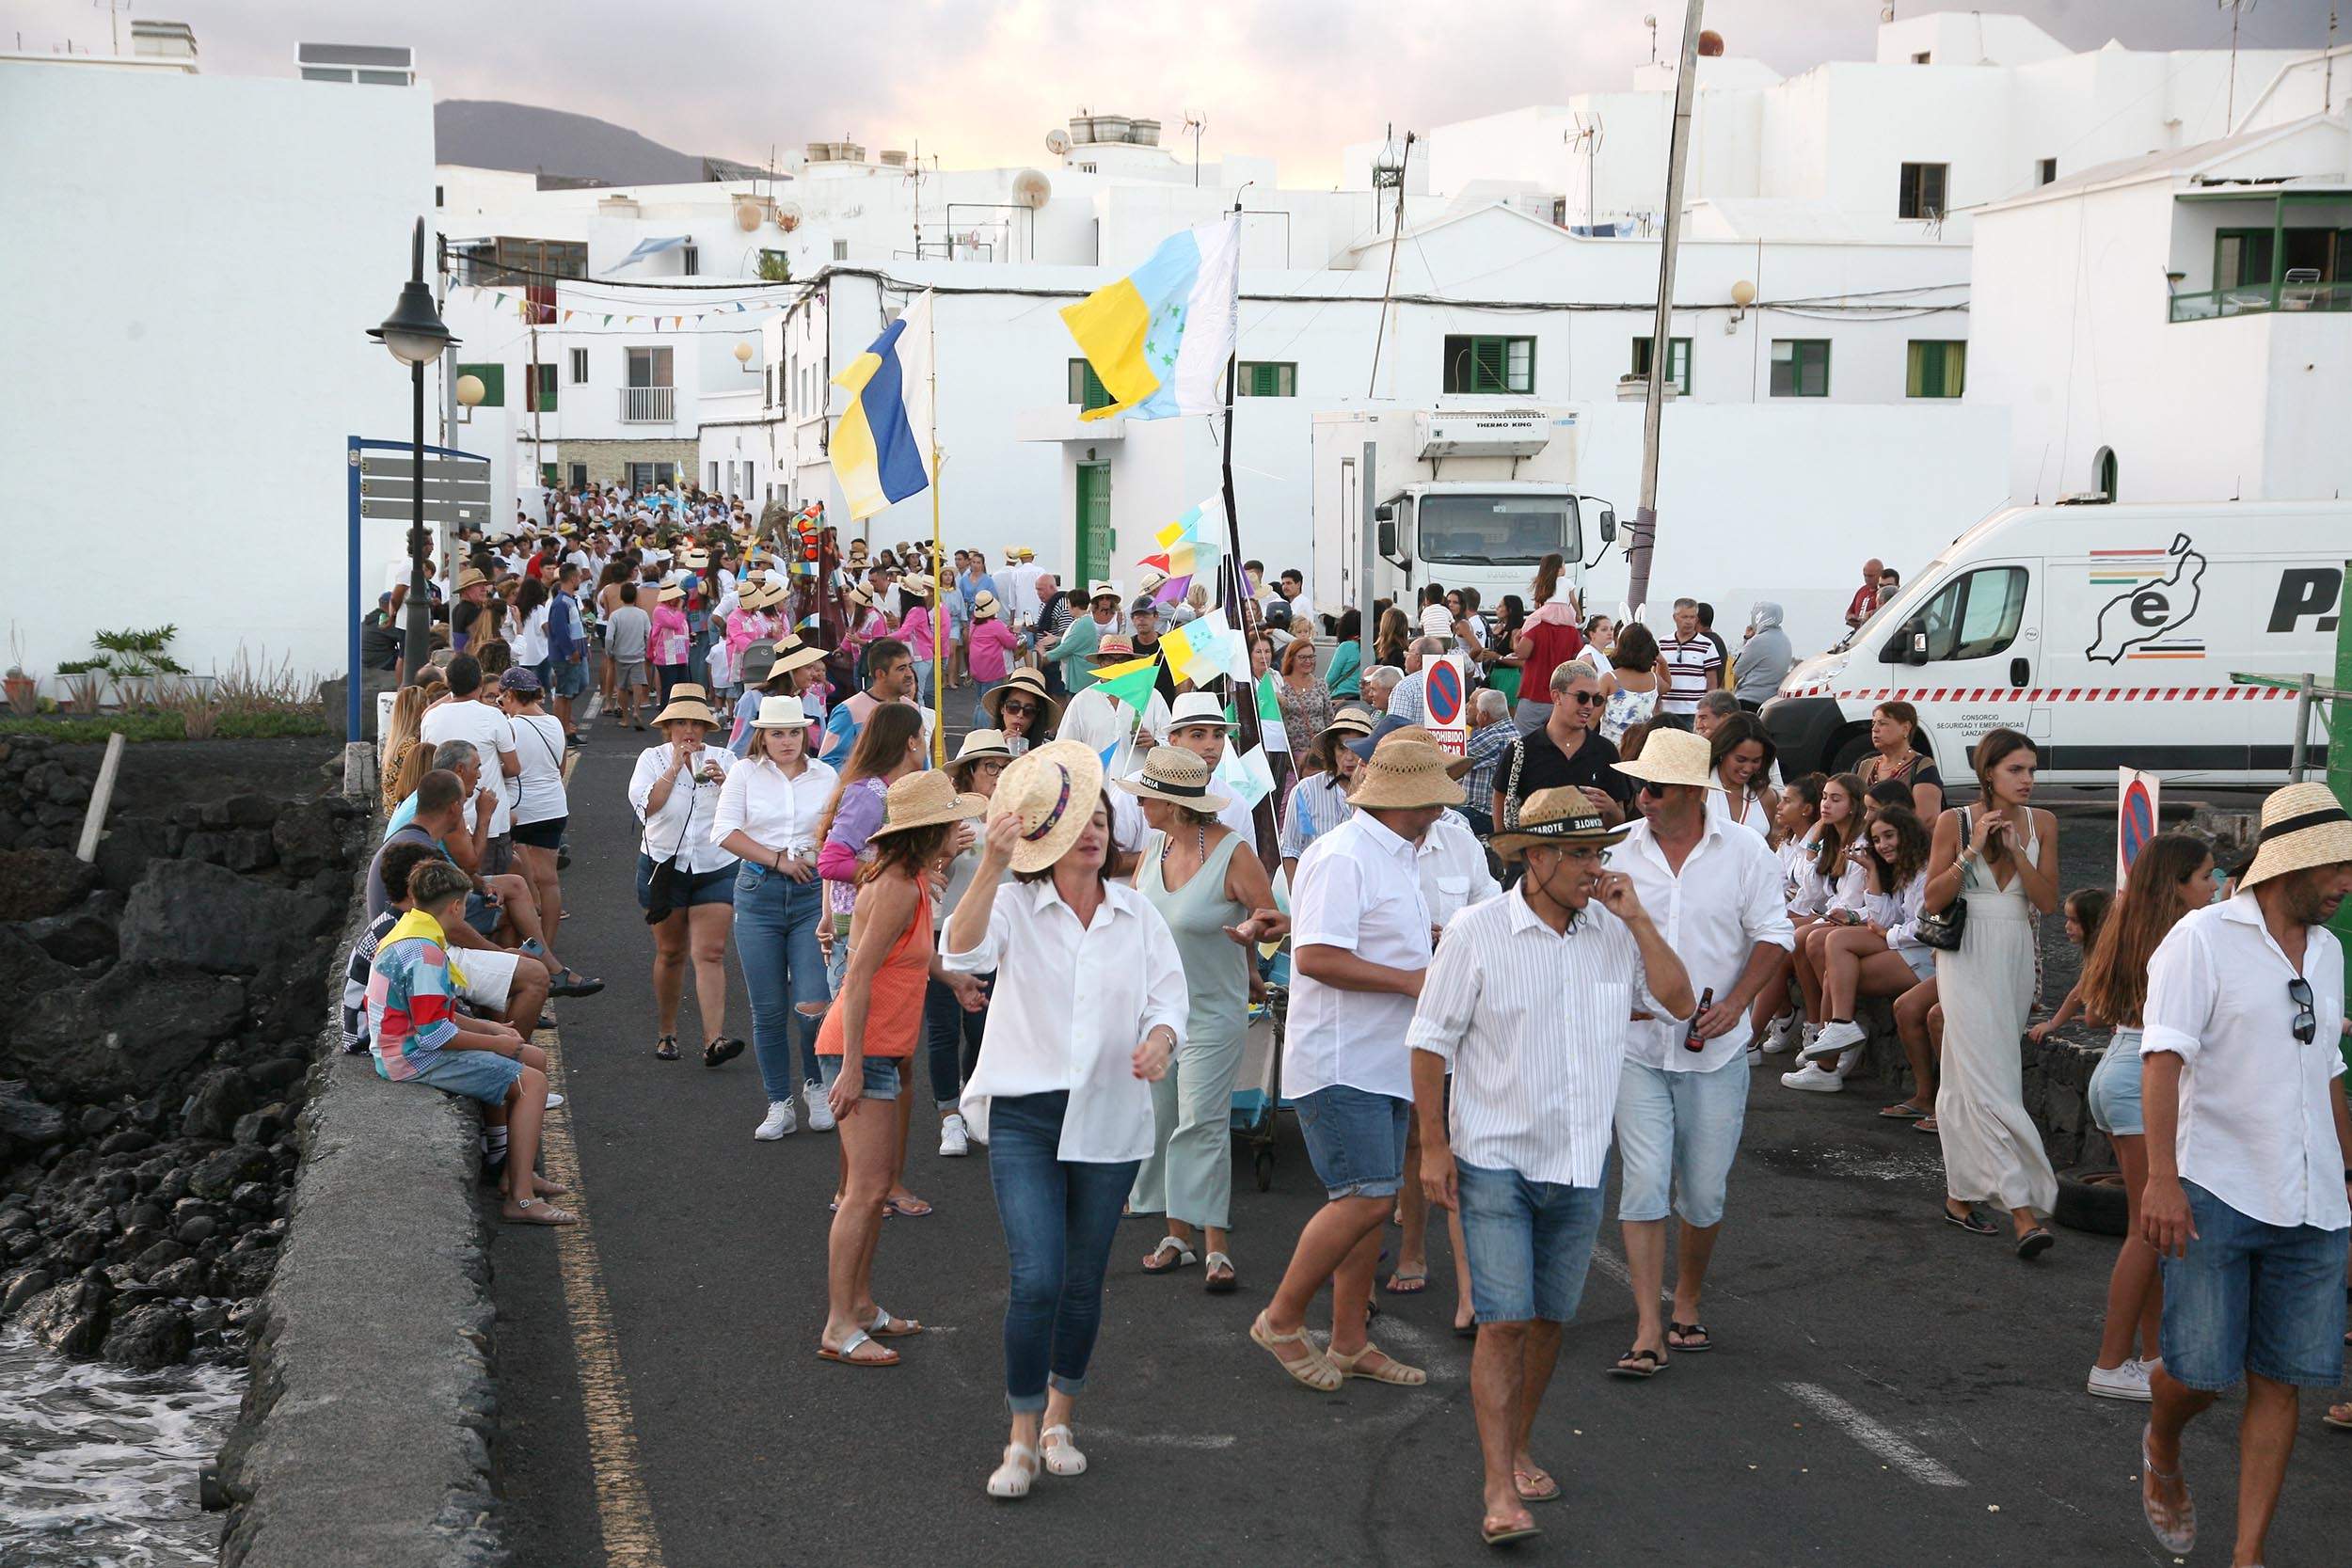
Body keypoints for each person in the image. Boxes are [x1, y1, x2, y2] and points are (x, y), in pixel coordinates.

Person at [1410, 788, 1694, 1547]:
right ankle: (1499, 1487)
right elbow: (1429, 1041)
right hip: (1494, 1156)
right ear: (1531, 857)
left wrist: (1638, 916)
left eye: (1597, 851)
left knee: (1547, 1322)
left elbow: (1679, 1001)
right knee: (1502, 1321)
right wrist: (1434, 1147)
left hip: (1576, 1162)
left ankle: (1517, 1445)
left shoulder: (1613, 933)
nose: (1591, 867)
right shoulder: (1475, 933)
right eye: (1576, 852)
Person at [2136, 783, 2351, 1566]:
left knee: (2283, 1378)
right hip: (2214, 1189)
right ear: (2285, 865)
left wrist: (2348, 1176)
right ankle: (2162, 1440)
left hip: (2315, 1201)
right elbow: (2161, 1058)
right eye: (2332, 866)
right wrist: (2162, 1179)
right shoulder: (2202, 939)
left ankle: (2247, 1554)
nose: (2344, 882)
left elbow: (2327, 1066)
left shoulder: (2329, 952)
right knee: (2200, 1373)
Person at [1250, 733, 1467, 1394]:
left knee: (1366, 1201)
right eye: (1435, 797)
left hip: (1375, 1060)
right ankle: (1283, 1318)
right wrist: (1410, 980)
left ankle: (1348, 1339)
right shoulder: (1345, 855)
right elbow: (1315, 956)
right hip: (1342, 1061)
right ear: (1412, 799)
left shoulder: (1387, 854)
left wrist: (1419, 960)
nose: (1442, 810)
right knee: (1368, 1199)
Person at [1606, 728, 1793, 1373]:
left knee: (1706, 1193)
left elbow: (1775, 933)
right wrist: (1610, 1000)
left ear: (1689, 791)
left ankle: (1687, 1295)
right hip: (1636, 1042)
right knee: (1644, 1183)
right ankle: (1649, 1325)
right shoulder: (1619, 853)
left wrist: (1739, 1002)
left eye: (1654, 788)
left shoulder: (1744, 850)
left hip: (1716, 1047)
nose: (1642, 799)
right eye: (1639, 786)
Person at [816, 770, 988, 1371]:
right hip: (860, 1049)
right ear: (932, 831)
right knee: (863, 1193)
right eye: (952, 823)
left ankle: (860, 1306)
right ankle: (839, 1324)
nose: (961, 831)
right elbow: (858, 977)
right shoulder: (895, 887)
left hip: (880, 1049)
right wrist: (855, 1067)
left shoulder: (913, 882)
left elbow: (907, 956)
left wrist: (951, 977)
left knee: (878, 1184)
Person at [1121, 748, 1287, 1293]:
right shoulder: (1153, 846)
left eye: (1146, 795)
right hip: (1157, 1014)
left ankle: (1216, 1245)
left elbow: (1272, 920)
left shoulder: (1234, 854)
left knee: (1203, 1121)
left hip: (1214, 1010)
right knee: (1163, 1117)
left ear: (1173, 804)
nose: (1139, 803)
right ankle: (1177, 1237)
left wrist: (1251, 942)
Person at [1912, 728, 2063, 1249]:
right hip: (1967, 954)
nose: (2028, 780)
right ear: (1988, 773)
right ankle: (2023, 1210)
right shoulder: (1954, 822)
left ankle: (1960, 1195)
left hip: (2014, 954)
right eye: (2016, 769)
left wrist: (2018, 852)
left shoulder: (2043, 822)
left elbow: (2046, 903)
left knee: (1966, 1076)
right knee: (1990, 1079)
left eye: (2032, 769)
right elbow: (1932, 899)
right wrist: (1972, 851)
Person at [2075, 833, 2212, 1402]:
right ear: (2176, 886)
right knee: (2146, 1231)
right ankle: (2110, 1364)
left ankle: (2154, 1357)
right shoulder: (2181, 939)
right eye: (2206, 876)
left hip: (2117, 1071)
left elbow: (2090, 1012)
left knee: (2154, 1232)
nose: (2215, 885)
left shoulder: (2129, 925)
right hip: (2139, 1079)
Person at [368, 859, 573, 1226]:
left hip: (402, 1044)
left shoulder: (412, 933)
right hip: (410, 1056)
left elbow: (432, 1012)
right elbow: (434, 1034)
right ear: (456, 906)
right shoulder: (426, 953)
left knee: (536, 1059)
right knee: (533, 1082)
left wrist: (491, 1029)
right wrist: (494, 1044)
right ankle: (521, 1200)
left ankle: (516, 1174)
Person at [715, 696, 838, 1137]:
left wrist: (818, 861)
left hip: (811, 894)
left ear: (806, 733)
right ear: (761, 736)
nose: (786, 741)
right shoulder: (745, 773)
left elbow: (840, 835)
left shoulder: (826, 775)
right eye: (777, 733)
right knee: (766, 1009)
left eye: (793, 732)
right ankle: (778, 1103)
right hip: (758, 893)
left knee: (813, 1003)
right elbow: (724, 832)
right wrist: (778, 860)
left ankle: (816, 1085)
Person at [1784, 806, 1932, 1092]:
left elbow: (1925, 927)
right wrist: (1873, 871)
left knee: (1836, 948)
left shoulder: (1926, 871)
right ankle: (1836, 1038)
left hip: (1927, 954)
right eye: (1877, 840)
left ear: (1908, 834)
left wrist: (1890, 934)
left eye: (1889, 836)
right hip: (1906, 944)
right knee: (1834, 967)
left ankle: (1833, 1044)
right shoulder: (1905, 869)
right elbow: (1886, 916)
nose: (1883, 845)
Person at [628, 692, 739, 1065]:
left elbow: (744, 811)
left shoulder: (725, 759)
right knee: (671, 953)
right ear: (668, 728)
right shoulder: (651, 759)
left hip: (715, 866)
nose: (688, 730)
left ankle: (714, 1040)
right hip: (664, 868)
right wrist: (674, 768)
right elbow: (648, 807)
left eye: (696, 723)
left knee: (710, 953)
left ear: (707, 727)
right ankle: (667, 1033)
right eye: (681, 723)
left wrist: (727, 784)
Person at [497, 669, 597, 997]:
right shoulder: (555, 723)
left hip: (521, 808)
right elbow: (560, 769)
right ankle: (547, 952)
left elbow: (508, 769)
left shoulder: (511, 727)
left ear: (512, 696)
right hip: (554, 806)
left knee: (520, 883)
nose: (501, 703)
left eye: (502, 697)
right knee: (549, 880)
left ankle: (533, 954)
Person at [1493, 661, 1631, 836]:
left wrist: (1610, 807)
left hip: (1585, 859)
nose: (1589, 706)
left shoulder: (1605, 751)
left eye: (1596, 699)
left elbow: (1618, 820)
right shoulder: (1522, 750)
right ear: (1556, 696)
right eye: (1582, 697)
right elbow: (1500, 800)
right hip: (1536, 858)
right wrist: (1507, 854)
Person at [419, 655, 520, 873]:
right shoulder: (493, 716)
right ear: (480, 684)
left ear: (448, 684)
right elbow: (513, 768)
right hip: (490, 818)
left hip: (446, 820)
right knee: (493, 888)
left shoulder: (430, 718)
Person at [1279, 706, 1374, 881]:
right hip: (1317, 885)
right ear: (1332, 751)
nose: (1349, 757)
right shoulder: (1305, 790)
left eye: (1357, 748)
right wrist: (1297, 899)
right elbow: (1290, 851)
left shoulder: (1380, 792)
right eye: (1342, 749)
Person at [1510, 555, 1583, 735]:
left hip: (1534, 696)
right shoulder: (1571, 631)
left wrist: (1515, 639)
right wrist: (1578, 615)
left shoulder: (1535, 626)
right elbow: (1579, 658)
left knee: (1523, 744)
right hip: (1562, 699)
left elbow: (1522, 654)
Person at [821, 638, 916, 767]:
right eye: (901, 668)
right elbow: (829, 762)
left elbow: (920, 759)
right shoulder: (849, 711)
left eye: (910, 666)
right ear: (880, 674)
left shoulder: (913, 709)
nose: (910, 674)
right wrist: (867, 783)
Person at [1856, 702, 1946, 821]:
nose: (1874, 729)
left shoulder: (1922, 766)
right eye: (1873, 723)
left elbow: (1927, 819)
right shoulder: (1865, 765)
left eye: (1882, 723)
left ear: (1905, 728)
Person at [1706, 713, 1779, 841]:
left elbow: (1769, 850)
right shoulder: (1700, 790)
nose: (1748, 768)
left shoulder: (1766, 797)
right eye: (1741, 760)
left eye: (1755, 761)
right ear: (1723, 752)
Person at [1040, 580, 1121, 692]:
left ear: (1073, 604)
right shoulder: (1083, 620)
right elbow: (1076, 641)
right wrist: (1056, 639)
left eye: (1068, 603)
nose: (1067, 606)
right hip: (1084, 671)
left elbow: (1067, 647)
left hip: (1082, 676)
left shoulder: (1084, 622)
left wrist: (1045, 656)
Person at [1653, 599, 1722, 732]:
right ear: (1675, 617)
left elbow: (1712, 681)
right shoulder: (1663, 643)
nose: (1689, 621)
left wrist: (1709, 710)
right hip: (1667, 710)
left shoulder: (1706, 644)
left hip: (1693, 710)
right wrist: (1655, 705)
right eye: (1685, 617)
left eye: (1692, 617)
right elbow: (1655, 675)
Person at [1459, 689, 1518, 840]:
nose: (1466, 707)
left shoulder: (1493, 737)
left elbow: (1453, 759)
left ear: (1484, 715)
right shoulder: (1512, 731)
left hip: (1482, 814)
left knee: (1436, 821)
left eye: (1472, 703)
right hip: (1501, 813)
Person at [1596, 622, 1661, 753]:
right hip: (1640, 749)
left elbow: (1594, 716)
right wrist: (1662, 661)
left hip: (1610, 749)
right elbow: (1668, 685)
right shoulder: (1654, 679)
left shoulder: (1609, 679)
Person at [1274, 638, 1333, 768]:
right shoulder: (1280, 685)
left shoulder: (1321, 684)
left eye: (1311, 657)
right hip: (1291, 754)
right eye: (1302, 657)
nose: (1308, 661)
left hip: (1319, 753)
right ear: (1291, 659)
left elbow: (1329, 718)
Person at [963, 590, 1021, 725]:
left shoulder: (974, 624)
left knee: (979, 701)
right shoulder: (996, 625)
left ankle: (976, 729)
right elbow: (1011, 643)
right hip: (993, 669)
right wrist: (1014, 633)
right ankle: (985, 733)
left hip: (977, 668)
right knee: (989, 704)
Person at [604, 582, 653, 730]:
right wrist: (647, 649)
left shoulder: (615, 615)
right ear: (636, 596)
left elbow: (609, 637)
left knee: (622, 687)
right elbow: (649, 634)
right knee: (637, 684)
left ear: (621, 597)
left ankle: (625, 717)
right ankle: (637, 710)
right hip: (637, 655)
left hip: (620, 655)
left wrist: (609, 652)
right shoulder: (642, 614)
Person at [979, 666, 1057, 755]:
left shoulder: (1047, 752)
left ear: (1036, 716)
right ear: (1002, 708)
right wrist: (995, 747)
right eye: (1013, 707)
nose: (1020, 715)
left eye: (1029, 710)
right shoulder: (980, 744)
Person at [1733, 602, 1790, 713]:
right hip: (1769, 701)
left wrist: (1748, 640)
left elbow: (1735, 672)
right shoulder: (1785, 640)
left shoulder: (1759, 641)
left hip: (1748, 699)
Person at [649, 582, 691, 703]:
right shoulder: (660, 611)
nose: (678, 599)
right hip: (667, 657)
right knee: (669, 690)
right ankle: (665, 717)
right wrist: (679, 610)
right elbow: (674, 624)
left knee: (683, 690)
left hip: (681, 656)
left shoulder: (675, 611)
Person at [1325, 608, 1363, 702]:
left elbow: (1330, 677)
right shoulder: (1370, 648)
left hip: (1341, 697)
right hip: (1361, 698)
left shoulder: (1346, 646)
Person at [1846, 558, 1884, 631]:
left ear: (1881, 574)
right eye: (1865, 575)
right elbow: (1849, 612)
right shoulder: (1862, 590)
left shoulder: (1884, 593)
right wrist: (1852, 618)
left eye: (1871, 576)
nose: (1867, 579)